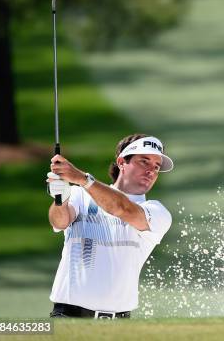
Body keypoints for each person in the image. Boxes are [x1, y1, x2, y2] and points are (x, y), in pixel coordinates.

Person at [46, 133, 173, 319]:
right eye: (144, 162)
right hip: (69, 316)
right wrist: (61, 200)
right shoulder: (80, 195)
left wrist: (83, 179)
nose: (151, 171)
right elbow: (59, 221)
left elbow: (121, 208)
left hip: (119, 323)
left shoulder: (156, 212)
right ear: (122, 162)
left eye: (156, 166)